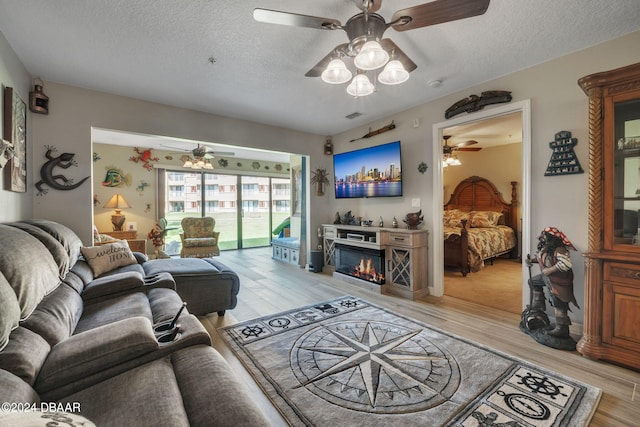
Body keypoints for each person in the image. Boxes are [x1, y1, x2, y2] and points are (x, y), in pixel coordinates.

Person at [526, 227, 579, 338]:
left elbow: (566, 264)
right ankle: (538, 305)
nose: (541, 237)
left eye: (544, 235)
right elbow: (544, 259)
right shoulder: (546, 249)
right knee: (533, 281)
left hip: (558, 282)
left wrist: (550, 270)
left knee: (558, 303)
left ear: (551, 238)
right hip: (548, 278)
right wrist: (532, 260)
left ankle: (562, 328)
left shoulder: (560, 249)